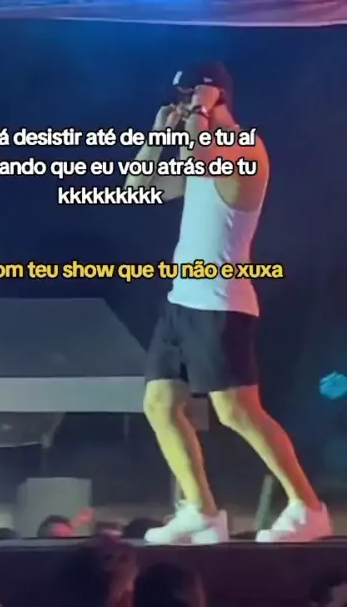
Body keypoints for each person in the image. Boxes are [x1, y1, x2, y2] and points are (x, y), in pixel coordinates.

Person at [124, 61, 331, 544]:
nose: (181, 107)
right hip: (182, 299)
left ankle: (308, 506)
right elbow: (138, 189)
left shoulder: (245, 147)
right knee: (159, 403)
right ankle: (201, 510)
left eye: (188, 97)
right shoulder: (200, 147)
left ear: (214, 95)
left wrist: (201, 115)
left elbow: (204, 159)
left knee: (237, 411)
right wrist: (158, 134)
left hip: (220, 300)